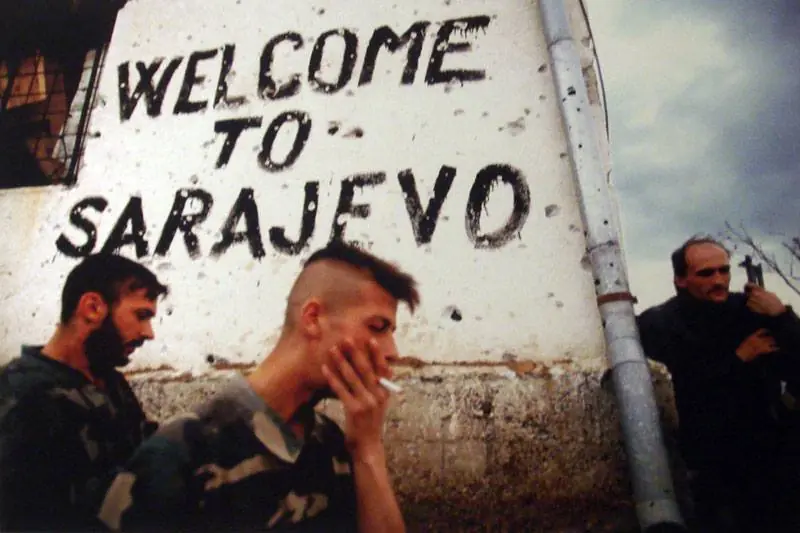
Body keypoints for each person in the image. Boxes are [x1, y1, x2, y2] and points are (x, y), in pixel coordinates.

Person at [98, 243, 417, 532]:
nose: (391, 351)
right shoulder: (182, 455)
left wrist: (367, 449)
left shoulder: (329, 443)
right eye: (377, 327)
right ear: (313, 319)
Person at [636, 236, 800, 532]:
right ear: (681, 280)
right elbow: (692, 389)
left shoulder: (750, 309)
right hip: (714, 463)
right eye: (706, 273)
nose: (719, 280)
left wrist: (782, 316)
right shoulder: (662, 323)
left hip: (772, 454)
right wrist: (739, 358)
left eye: (724, 270)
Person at [0, 253, 168, 531]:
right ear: (92, 308)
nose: (149, 333)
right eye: (141, 316)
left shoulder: (110, 381)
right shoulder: (22, 396)